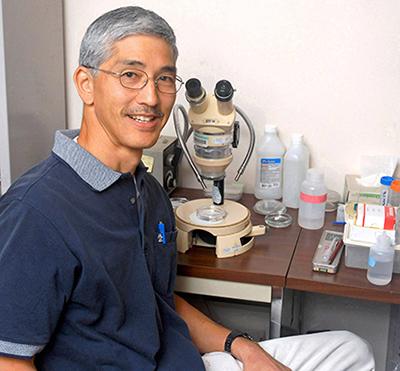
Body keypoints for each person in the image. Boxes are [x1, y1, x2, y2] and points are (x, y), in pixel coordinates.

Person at [0, 6, 374, 371]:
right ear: (86, 84)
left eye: (164, 79)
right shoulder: (34, 214)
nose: (150, 98)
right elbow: (9, 359)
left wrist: (241, 346)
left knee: (351, 350)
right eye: (131, 75)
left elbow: (153, 300)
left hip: (182, 358)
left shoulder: (145, 190)